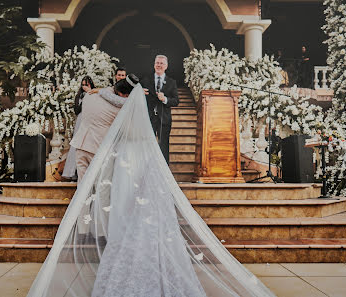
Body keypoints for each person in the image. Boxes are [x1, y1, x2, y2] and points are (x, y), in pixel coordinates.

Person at [26, 80, 276, 297]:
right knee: (138, 201)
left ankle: (110, 236)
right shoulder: (142, 124)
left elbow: (113, 129)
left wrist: (99, 92)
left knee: (112, 198)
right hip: (138, 157)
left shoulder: (106, 109)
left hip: (111, 155)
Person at [70, 74, 138, 182]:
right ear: (122, 93)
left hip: (80, 145)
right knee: (99, 187)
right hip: (98, 149)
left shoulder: (90, 95)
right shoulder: (120, 109)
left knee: (82, 186)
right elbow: (128, 132)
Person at [141, 55, 179, 164]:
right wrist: (139, 92)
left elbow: (176, 101)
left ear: (166, 66)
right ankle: (147, 171)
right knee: (147, 145)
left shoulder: (172, 82)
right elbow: (136, 94)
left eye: (161, 63)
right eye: (157, 63)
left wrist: (165, 99)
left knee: (163, 146)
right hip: (149, 119)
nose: (159, 65)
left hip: (164, 120)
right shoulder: (145, 80)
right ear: (154, 65)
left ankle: (164, 174)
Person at [62, 76, 96, 181]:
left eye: (87, 84)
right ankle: (72, 171)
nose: (85, 86)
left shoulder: (95, 94)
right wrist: (85, 98)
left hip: (90, 121)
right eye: (83, 84)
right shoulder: (79, 96)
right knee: (77, 146)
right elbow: (77, 110)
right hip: (81, 121)